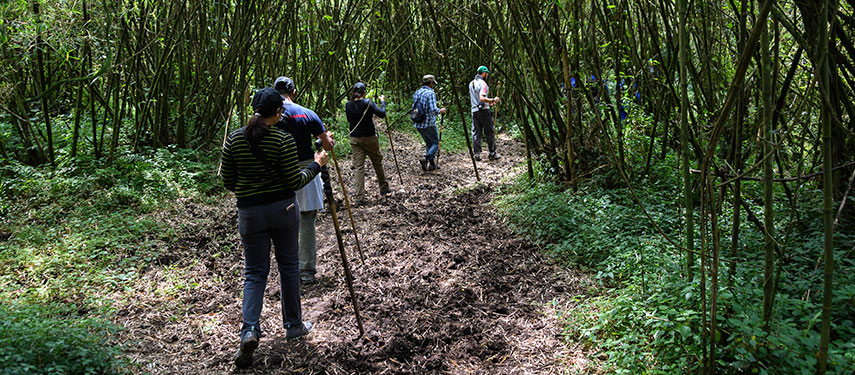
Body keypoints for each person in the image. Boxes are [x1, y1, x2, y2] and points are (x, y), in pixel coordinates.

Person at [220, 87, 329, 369]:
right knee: (289, 267)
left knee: (254, 273)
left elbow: (228, 181)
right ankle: (293, 325)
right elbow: (295, 180)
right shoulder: (282, 139)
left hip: (250, 213)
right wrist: (317, 165)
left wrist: (250, 187)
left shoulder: (234, 139)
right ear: (278, 113)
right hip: (283, 210)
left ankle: (249, 330)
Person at [273, 76, 334, 285]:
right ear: (294, 92)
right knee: (307, 220)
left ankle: (287, 270)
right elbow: (327, 146)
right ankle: (306, 271)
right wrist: (328, 139)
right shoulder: (307, 113)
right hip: (307, 167)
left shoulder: (267, 115)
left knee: (282, 221)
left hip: (277, 171)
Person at [345, 82, 389, 204]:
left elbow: (349, 120)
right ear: (364, 92)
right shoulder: (368, 102)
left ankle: (359, 197)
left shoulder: (348, 105)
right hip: (369, 138)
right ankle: (384, 188)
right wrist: (382, 102)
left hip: (355, 139)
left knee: (359, 167)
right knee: (377, 161)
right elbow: (382, 113)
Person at [412, 74, 447, 171]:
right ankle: (426, 158)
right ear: (431, 83)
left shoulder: (417, 92)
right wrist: (441, 110)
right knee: (435, 143)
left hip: (419, 123)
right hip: (428, 123)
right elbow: (433, 110)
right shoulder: (430, 94)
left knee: (428, 143)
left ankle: (432, 164)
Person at [469, 65, 501, 161]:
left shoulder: (471, 83)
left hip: (474, 111)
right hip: (483, 111)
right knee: (489, 131)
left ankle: (477, 154)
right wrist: (493, 99)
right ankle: (492, 153)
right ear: (484, 73)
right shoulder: (483, 84)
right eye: (487, 74)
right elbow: (482, 98)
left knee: (476, 132)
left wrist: (489, 102)